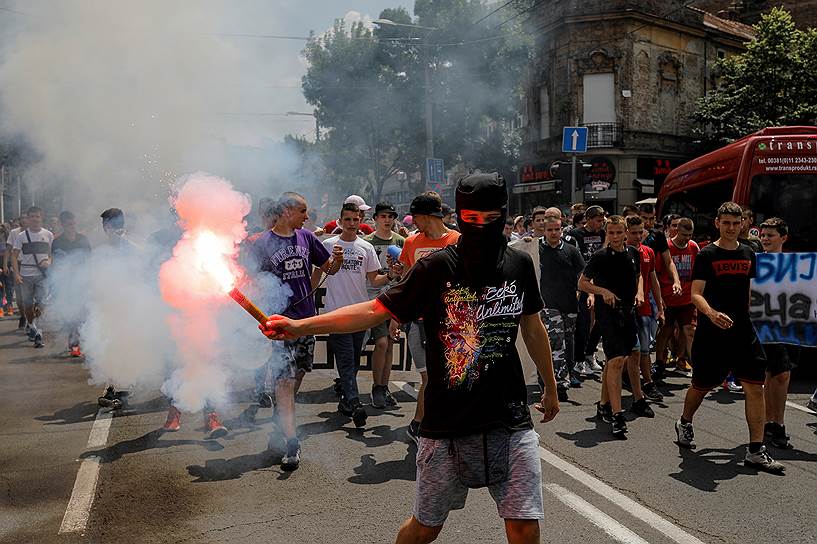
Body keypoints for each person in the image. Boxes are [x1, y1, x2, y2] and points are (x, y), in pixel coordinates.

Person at [261, 172, 559, 544]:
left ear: (502, 213)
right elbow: (374, 309)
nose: (482, 226)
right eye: (472, 219)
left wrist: (550, 384)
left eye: (490, 217)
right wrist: (300, 326)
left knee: (523, 525)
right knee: (425, 528)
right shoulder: (436, 268)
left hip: (510, 418)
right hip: (447, 423)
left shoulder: (518, 264)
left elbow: (532, 327)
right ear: (460, 216)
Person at [675, 202, 784, 474]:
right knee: (702, 385)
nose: (732, 228)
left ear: (743, 224)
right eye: (726, 223)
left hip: (744, 331)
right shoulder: (707, 254)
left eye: (736, 223)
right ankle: (685, 421)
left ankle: (756, 450)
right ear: (717, 223)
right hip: (713, 333)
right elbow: (696, 294)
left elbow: (754, 290)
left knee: (754, 386)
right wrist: (711, 314)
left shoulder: (751, 252)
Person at [243, 191, 343, 470]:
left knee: (292, 382)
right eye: (302, 211)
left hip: (306, 322)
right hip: (279, 325)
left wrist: (337, 259)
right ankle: (291, 442)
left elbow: (330, 269)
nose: (307, 217)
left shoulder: (308, 238)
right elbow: (249, 281)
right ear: (287, 211)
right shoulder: (261, 243)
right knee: (284, 384)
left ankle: (280, 425)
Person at [393, 192, 460, 444]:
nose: (413, 223)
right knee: (429, 377)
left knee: (451, 375)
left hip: (453, 321)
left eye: (416, 218)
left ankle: (434, 424)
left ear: (425, 216)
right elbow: (405, 282)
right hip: (420, 321)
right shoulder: (411, 243)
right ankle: (419, 425)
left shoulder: (457, 240)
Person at [320, 202, 391, 427]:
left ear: (361, 221)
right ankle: (354, 402)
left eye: (355, 219)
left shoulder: (366, 247)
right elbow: (322, 274)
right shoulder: (329, 244)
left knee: (353, 358)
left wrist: (391, 275)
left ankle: (346, 400)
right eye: (347, 219)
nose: (351, 224)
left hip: (360, 313)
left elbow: (374, 280)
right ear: (340, 222)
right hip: (337, 313)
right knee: (346, 359)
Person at [579, 215, 645, 438]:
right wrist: (603, 292)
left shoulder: (634, 254)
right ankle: (618, 416)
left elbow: (639, 276)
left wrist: (639, 292)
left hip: (629, 313)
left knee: (618, 359)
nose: (615, 237)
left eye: (619, 232)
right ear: (606, 233)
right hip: (608, 315)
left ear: (625, 232)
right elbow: (582, 282)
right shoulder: (600, 257)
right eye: (611, 233)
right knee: (617, 361)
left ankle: (604, 404)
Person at [759, 217, 799, 450]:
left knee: (782, 374)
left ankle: (777, 422)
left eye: (770, 235)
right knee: (771, 372)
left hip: (789, 325)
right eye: (763, 235)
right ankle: (770, 422)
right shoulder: (756, 262)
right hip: (764, 325)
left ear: (783, 238)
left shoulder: (796, 264)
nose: (765, 239)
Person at [363, 202, 405, 409]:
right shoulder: (367, 242)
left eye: (391, 216)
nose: (387, 220)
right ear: (375, 219)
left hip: (396, 298)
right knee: (380, 343)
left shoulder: (402, 241)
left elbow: (407, 272)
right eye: (383, 216)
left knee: (390, 344)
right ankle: (376, 387)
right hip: (375, 299)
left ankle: (384, 386)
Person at [539, 215, 584, 401]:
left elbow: (583, 273)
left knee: (568, 341)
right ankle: (559, 382)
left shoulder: (571, 250)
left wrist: (581, 293)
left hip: (570, 304)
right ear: (544, 231)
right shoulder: (538, 249)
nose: (554, 233)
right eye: (550, 230)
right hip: (548, 305)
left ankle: (566, 374)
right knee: (556, 342)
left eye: (557, 229)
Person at [625, 215, 665, 402]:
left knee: (645, 349)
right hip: (625, 310)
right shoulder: (621, 252)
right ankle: (634, 385)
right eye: (634, 233)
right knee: (630, 350)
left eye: (641, 232)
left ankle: (647, 383)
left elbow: (653, 279)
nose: (638, 236)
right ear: (626, 233)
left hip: (645, 308)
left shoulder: (648, 251)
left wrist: (660, 306)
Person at [654, 217, 699, 376]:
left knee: (688, 330)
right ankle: (659, 361)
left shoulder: (694, 247)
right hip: (668, 296)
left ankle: (684, 359)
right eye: (684, 234)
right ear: (677, 231)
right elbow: (658, 272)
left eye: (690, 235)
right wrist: (660, 297)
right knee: (667, 329)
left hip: (687, 297)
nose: (687, 238)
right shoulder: (666, 246)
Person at [569, 205, 606, 376]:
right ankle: (579, 360)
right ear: (589, 219)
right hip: (583, 282)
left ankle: (589, 354)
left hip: (600, 282)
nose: (601, 224)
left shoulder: (603, 234)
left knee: (599, 321)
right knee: (583, 323)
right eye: (598, 220)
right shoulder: (576, 235)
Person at [50, 211, 92, 357]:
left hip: (82, 282)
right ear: (62, 225)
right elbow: (55, 264)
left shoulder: (83, 239)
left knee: (83, 314)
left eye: (73, 224)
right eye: (68, 224)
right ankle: (74, 344)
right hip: (66, 283)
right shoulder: (57, 242)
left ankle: (82, 341)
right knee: (70, 314)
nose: (71, 227)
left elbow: (90, 260)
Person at [11, 206, 53, 349]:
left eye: (37, 216)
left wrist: (49, 261)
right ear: (28, 219)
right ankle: (31, 324)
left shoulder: (48, 235)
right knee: (28, 307)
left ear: (42, 218)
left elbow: (51, 253)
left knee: (42, 304)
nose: (35, 219)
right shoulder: (21, 236)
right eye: (32, 217)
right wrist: (16, 274)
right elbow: (14, 255)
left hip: (42, 276)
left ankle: (38, 333)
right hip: (26, 276)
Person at [5, 215, 27, 327]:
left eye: (26, 217)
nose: (24, 220)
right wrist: (5, 265)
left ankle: (32, 321)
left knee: (32, 296)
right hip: (17, 265)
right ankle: (23, 315)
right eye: (22, 218)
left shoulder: (38, 233)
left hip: (32, 266)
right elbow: (9, 250)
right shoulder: (14, 233)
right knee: (19, 297)